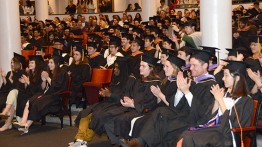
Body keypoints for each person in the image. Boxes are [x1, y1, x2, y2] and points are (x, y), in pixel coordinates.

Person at [127, 49, 217, 146]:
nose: (191, 68)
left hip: (193, 120)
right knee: (160, 111)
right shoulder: (193, 81)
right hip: (182, 114)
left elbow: (202, 112)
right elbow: (176, 106)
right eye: (190, 65)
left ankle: (139, 143)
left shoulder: (211, 85)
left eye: (194, 65)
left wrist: (186, 92)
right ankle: (139, 142)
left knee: (164, 124)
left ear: (205, 66)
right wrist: (179, 90)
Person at [177, 60, 253, 147]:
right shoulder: (227, 94)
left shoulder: (246, 100)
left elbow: (232, 126)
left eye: (226, 75)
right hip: (216, 130)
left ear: (237, 78)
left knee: (193, 138)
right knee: (186, 134)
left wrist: (220, 100)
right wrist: (217, 101)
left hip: (226, 136)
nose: (223, 78)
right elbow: (211, 117)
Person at [68, 56, 130, 147]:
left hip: (119, 106)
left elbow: (124, 99)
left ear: (123, 68)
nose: (115, 69)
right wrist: (104, 94)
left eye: (117, 67)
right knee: (85, 112)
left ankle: (85, 140)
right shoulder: (115, 78)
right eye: (115, 67)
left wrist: (109, 95)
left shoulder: (129, 81)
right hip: (108, 103)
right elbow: (110, 92)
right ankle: (80, 139)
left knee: (97, 116)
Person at [103, 55, 160, 146]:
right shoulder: (139, 81)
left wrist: (133, 104)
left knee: (119, 119)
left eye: (143, 66)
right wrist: (127, 99)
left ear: (151, 69)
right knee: (107, 118)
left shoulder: (155, 84)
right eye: (140, 65)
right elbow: (132, 95)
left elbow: (150, 105)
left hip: (143, 111)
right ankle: (121, 143)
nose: (140, 68)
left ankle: (125, 143)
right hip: (132, 107)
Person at [18, 55, 68, 134]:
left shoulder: (62, 73)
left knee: (37, 103)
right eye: (49, 62)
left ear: (57, 64)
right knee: (30, 101)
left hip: (55, 97)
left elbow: (57, 87)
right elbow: (44, 87)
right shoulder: (50, 73)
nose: (49, 64)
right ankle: (23, 123)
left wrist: (48, 78)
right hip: (47, 94)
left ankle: (26, 125)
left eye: (51, 63)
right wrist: (44, 81)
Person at [0, 53, 26, 131]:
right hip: (10, 95)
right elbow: (6, 87)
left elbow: (19, 88)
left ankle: (6, 114)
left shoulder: (23, 73)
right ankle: (8, 122)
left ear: (19, 64)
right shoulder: (9, 73)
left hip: (20, 94)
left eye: (13, 62)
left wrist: (11, 80)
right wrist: (4, 77)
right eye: (11, 62)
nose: (11, 64)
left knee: (13, 92)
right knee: (8, 95)